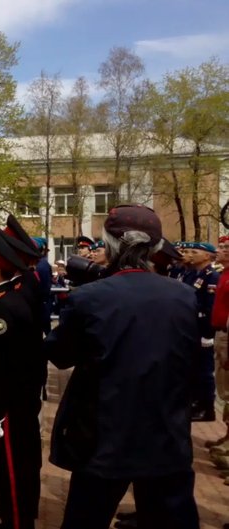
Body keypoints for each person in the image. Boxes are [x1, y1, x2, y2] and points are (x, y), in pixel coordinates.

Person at [46, 205, 200, 529]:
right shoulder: (185, 296)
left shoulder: (89, 297)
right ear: (156, 247)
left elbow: (60, 355)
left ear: (109, 245)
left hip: (103, 441)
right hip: (166, 439)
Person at [0, 228, 46, 529]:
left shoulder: (1, 306)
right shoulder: (3, 300)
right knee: (15, 470)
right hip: (15, 405)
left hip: (8, 409)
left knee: (12, 474)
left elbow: (4, 368)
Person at [182, 241, 221, 422]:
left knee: (205, 371)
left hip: (203, 330)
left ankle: (208, 408)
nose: (190, 254)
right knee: (196, 369)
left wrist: (208, 334)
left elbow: (210, 307)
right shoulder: (194, 274)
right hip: (192, 329)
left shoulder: (211, 276)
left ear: (207, 256)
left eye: (194, 252)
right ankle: (197, 402)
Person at [208, 236, 229, 457]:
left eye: (226, 248)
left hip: (227, 336)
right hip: (221, 334)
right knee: (224, 390)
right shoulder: (224, 274)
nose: (220, 250)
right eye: (220, 246)